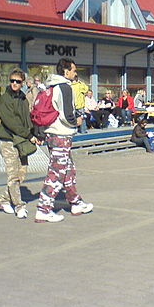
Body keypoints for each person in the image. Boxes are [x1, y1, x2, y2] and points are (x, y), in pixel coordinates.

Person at [35, 58, 92, 223]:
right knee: (56, 172)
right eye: (74, 70)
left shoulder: (49, 86)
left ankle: (75, 202)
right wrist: (77, 121)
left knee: (68, 170)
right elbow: (67, 115)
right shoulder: (65, 87)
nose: (75, 73)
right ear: (66, 71)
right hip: (62, 134)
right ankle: (43, 209)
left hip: (52, 133)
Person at [0, 69, 37, 219]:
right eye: (12, 80)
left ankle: (3, 199)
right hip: (8, 140)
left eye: (18, 81)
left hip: (21, 141)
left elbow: (27, 120)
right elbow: (10, 122)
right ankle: (19, 205)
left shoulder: (23, 99)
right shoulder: (4, 99)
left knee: (22, 173)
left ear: (23, 83)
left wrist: (35, 133)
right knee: (13, 175)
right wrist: (29, 135)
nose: (14, 83)